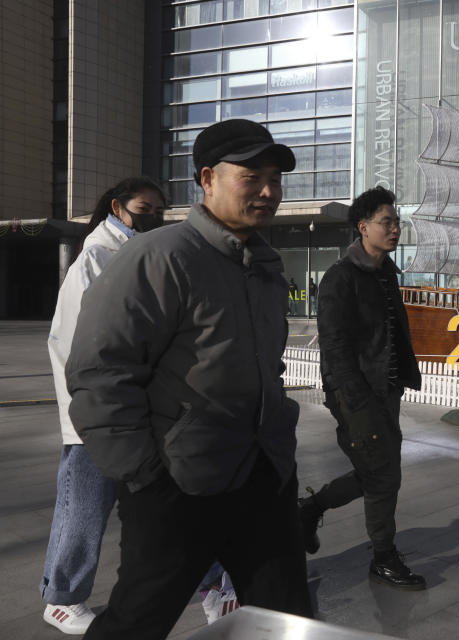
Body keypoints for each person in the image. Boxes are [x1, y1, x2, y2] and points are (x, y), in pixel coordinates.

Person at [64, 118, 312, 639]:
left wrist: (279, 449)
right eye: (251, 176)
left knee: (287, 616)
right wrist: (146, 476)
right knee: (138, 619)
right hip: (178, 485)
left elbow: (267, 365)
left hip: (263, 477)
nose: (269, 191)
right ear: (207, 178)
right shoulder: (157, 257)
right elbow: (98, 374)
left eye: (275, 178)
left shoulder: (265, 265)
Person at [41, 177, 172, 635]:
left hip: (136, 411)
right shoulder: (95, 259)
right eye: (144, 207)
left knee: (163, 507)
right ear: (117, 207)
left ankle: (209, 584)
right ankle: (62, 599)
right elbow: (81, 346)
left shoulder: (138, 257)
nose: (153, 215)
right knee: (84, 508)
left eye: (160, 209)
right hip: (95, 415)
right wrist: (92, 410)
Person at [300, 186, 425, 590]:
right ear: (363, 226)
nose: (395, 229)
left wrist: (401, 381)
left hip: (386, 392)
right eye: (386, 222)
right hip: (357, 398)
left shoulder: (387, 274)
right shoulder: (341, 278)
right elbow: (335, 349)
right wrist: (354, 404)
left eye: (397, 222)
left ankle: (310, 508)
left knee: (378, 472)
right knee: (384, 477)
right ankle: (383, 557)